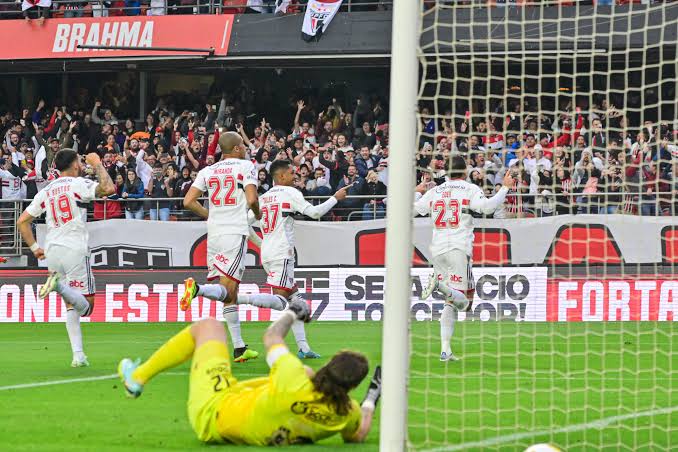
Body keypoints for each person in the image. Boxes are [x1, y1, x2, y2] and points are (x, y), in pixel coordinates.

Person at [117, 301, 382, 445]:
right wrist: (371, 399)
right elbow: (357, 436)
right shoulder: (346, 412)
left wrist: (292, 312)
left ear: (331, 364)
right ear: (352, 387)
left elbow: (271, 335)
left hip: (213, 412)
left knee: (209, 326)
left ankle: (137, 378)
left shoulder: (293, 377)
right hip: (244, 419)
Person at [179, 132, 291, 363]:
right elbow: (251, 199)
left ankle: (239, 348)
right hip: (234, 232)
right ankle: (197, 289)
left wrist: (210, 216)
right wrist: (259, 217)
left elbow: (188, 201)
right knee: (229, 291)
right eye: (243, 145)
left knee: (228, 293)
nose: (246, 149)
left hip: (215, 234)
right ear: (238, 148)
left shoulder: (207, 170)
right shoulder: (245, 166)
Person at [16, 150, 115, 367]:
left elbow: (22, 221)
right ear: (75, 165)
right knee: (87, 308)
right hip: (75, 248)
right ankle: (58, 286)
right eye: (79, 161)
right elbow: (109, 188)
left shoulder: (47, 189)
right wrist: (98, 164)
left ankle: (78, 355)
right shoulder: (78, 184)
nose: (82, 163)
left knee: (71, 305)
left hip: (53, 251)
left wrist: (34, 248)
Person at [414, 155, 514, 361]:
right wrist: (504, 188)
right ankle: (438, 287)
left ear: (447, 172)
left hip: (438, 249)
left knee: (450, 302)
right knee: (465, 303)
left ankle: (445, 350)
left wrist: (417, 192)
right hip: (459, 248)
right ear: (465, 171)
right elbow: (488, 208)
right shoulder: (469, 189)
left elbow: (414, 209)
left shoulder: (435, 190)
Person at [253, 160, 351, 358]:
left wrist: (261, 243)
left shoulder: (263, 199)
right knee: (281, 301)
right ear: (281, 177)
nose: (295, 176)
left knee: (295, 300)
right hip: (282, 253)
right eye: (291, 173)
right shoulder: (290, 193)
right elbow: (314, 213)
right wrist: (335, 198)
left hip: (268, 253)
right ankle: (236, 299)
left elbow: (244, 225)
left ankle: (304, 348)